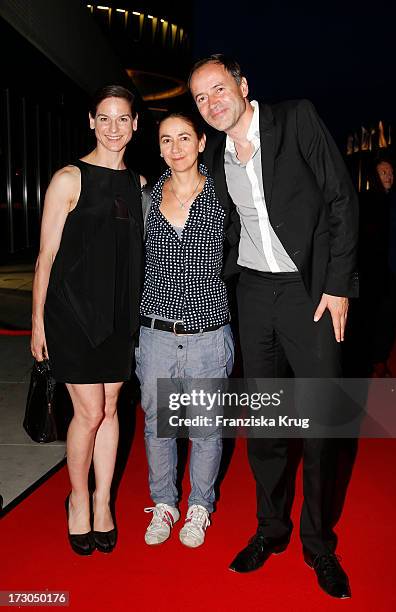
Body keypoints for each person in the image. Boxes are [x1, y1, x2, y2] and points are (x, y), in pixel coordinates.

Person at [189, 54, 358, 598]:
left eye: (219, 89)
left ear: (242, 85)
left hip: (309, 292)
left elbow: (340, 199)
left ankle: (318, 542)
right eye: (201, 98)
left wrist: (337, 285)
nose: (212, 103)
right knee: (264, 423)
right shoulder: (214, 154)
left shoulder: (297, 120)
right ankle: (271, 529)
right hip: (255, 293)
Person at [31, 85, 145, 555]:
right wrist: (38, 322)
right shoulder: (67, 179)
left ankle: (104, 502)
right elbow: (46, 256)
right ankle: (77, 499)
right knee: (89, 412)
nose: (114, 127)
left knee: (112, 409)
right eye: (105, 118)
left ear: (136, 124)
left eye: (123, 118)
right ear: (92, 122)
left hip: (119, 316)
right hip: (71, 315)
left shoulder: (139, 186)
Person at [135, 111, 234, 549]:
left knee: (206, 427)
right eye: (166, 140)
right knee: (159, 426)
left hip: (208, 334)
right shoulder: (145, 197)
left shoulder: (222, 195)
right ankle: (164, 504)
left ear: (200, 142)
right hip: (156, 333)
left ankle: (199, 506)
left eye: (184, 138)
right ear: (158, 147)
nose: (175, 148)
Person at [358, 159, 396, 376]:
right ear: (375, 177)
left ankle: (380, 361)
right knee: (371, 319)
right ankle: (368, 361)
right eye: (384, 172)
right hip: (373, 273)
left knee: (391, 319)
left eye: (391, 172)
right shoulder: (367, 201)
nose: (389, 176)